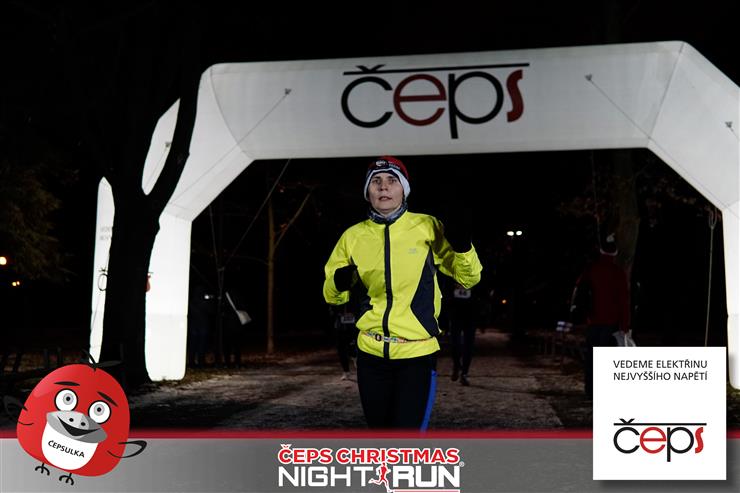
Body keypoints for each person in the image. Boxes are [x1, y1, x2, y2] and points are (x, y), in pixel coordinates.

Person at [323, 156, 482, 430]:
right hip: (371, 354)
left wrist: (463, 248)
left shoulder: (428, 226)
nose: (383, 187)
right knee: (381, 437)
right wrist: (339, 282)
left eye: (392, 180)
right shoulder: (352, 236)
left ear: (404, 190)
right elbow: (331, 295)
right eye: (376, 181)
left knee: (406, 438)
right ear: (368, 192)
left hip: (416, 354)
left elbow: (469, 277)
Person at [573, 232, 630, 398]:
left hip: (593, 320)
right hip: (611, 322)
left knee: (592, 357)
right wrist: (625, 325)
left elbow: (580, 289)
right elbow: (623, 301)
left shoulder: (591, 269)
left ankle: (590, 389)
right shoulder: (618, 272)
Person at [445, 280, 478, 386]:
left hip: (471, 314)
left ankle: (464, 373)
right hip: (455, 314)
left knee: (469, 345)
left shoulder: (475, 274)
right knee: (455, 343)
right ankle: (456, 365)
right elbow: (445, 289)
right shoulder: (452, 274)